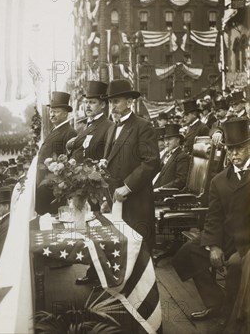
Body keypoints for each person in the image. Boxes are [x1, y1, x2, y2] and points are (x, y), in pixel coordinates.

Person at [173, 117, 250, 324]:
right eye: (230, 149)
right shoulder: (219, 180)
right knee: (188, 253)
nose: (234, 154)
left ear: (249, 147)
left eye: (239, 149)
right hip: (226, 238)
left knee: (235, 264)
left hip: (247, 243)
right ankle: (216, 303)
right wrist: (213, 245)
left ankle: (233, 312)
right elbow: (213, 216)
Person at [103, 80, 160, 248]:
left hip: (136, 201)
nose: (112, 106)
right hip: (115, 201)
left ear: (129, 102)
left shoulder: (143, 126)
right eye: (110, 102)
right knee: (120, 251)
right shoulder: (112, 128)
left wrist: (127, 187)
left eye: (116, 101)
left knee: (138, 249)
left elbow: (152, 162)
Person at [36, 91, 77, 215]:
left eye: (56, 111)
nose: (52, 115)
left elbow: (70, 164)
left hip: (54, 191)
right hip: (44, 186)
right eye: (51, 111)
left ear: (65, 114)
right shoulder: (54, 130)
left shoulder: (69, 132)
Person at [68, 81, 114, 163]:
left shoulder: (109, 127)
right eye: (86, 102)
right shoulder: (82, 125)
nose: (88, 106)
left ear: (102, 105)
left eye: (92, 102)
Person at [153, 124, 190, 190]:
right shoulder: (166, 154)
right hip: (155, 189)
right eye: (165, 140)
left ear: (178, 140)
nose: (166, 143)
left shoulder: (182, 157)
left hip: (165, 194)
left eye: (169, 140)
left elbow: (181, 181)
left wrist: (161, 189)